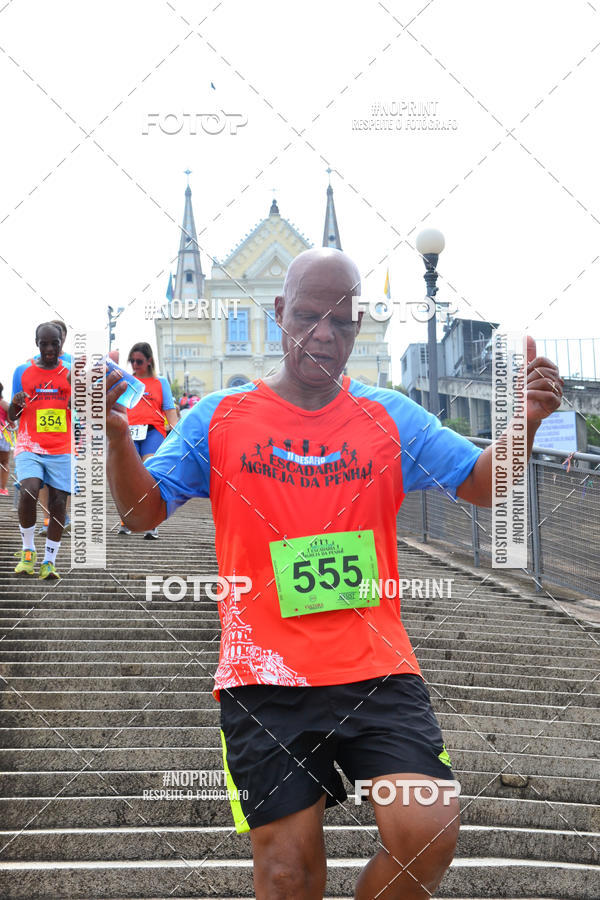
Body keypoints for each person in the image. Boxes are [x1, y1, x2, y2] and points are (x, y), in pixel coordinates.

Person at [105, 248, 563, 899]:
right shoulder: (219, 417)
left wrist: (528, 422)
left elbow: (482, 483)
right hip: (263, 678)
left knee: (429, 831)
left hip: (377, 668)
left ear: (358, 326)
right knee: (289, 872)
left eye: (342, 322)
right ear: (278, 313)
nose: (324, 334)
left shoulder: (389, 416)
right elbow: (140, 510)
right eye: (309, 317)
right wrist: (121, 439)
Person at [9, 322, 72, 579]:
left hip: (61, 446)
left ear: (61, 344)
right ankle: (27, 551)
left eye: (54, 343)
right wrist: (16, 403)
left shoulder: (70, 373)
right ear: (36, 343)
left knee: (59, 501)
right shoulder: (23, 372)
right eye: (44, 343)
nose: (49, 349)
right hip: (29, 443)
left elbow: (85, 408)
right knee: (29, 490)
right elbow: (14, 415)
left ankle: (49, 561)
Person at [118, 342, 177, 540]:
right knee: (127, 477)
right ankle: (127, 519)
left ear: (149, 360)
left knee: (150, 471)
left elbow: (169, 409)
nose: (135, 365)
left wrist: (178, 433)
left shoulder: (160, 383)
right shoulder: (126, 381)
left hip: (153, 431)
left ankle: (152, 523)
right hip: (129, 432)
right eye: (132, 361)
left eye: (139, 361)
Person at [0, 383, 15, 496]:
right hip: (3, 435)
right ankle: (3, 489)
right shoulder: (4, 404)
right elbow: (11, 421)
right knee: (4, 463)